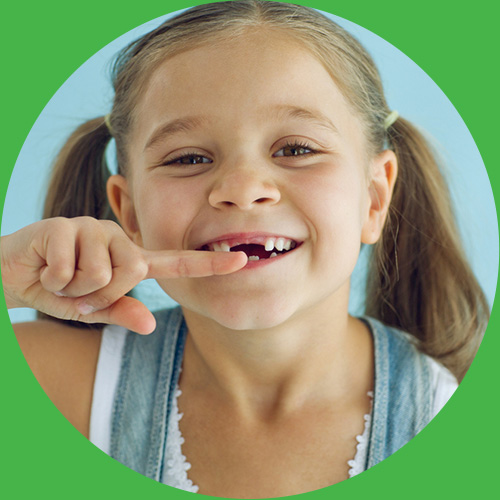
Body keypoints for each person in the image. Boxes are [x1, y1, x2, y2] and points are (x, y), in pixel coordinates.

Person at [0, 1, 489, 497]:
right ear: (131, 216)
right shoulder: (49, 381)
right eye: (188, 157)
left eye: (296, 149)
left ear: (374, 198)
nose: (241, 187)